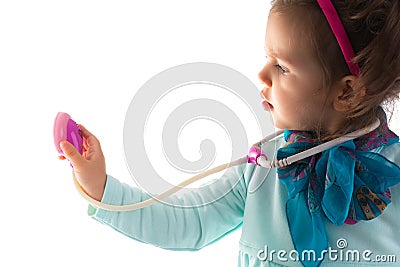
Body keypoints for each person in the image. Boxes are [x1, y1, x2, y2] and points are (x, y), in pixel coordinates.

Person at [59, 0, 400, 266]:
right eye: (268, 58)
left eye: (281, 67)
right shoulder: (263, 166)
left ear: (346, 92)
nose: (262, 74)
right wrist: (100, 186)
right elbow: (190, 221)